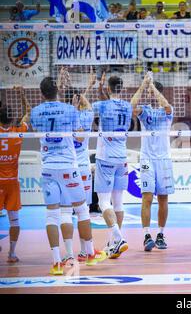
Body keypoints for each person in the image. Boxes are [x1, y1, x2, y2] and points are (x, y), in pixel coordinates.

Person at [30, 77, 103, 275]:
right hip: (68, 167)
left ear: (41, 93)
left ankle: (56, 262)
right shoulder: (70, 110)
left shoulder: (36, 112)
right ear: (58, 91)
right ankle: (89, 254)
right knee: (81, 210)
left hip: (48, 168)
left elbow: (38, 129)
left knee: (52, 215)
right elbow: (79, 137)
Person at [56, 67, 106, 264]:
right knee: (83, 211)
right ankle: (87, 251)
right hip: (83, 169)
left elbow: (62, 104)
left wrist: (64, 87)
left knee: (67, 211)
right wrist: (88, 87)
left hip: (66, 167)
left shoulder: (61, 118)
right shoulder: (86, 116)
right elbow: (88, 107)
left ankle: (69, 253)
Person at [131, 73, 175, 251]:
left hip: (164, 159)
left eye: (151, 92)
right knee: (147, 197)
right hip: (148, 158)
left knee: (163, 198)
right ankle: (146, 235)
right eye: (149, 92)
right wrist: (143, 85)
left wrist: (153, 87)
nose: (150, 94)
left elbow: (166, 106)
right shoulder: (144, 110)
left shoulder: (167, 109)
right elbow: (131, 106)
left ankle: (161, 234)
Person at [92, 76, 132, 259]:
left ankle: (118, 238)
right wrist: (102, 89)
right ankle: (114, 244)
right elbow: (110, 106)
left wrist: (95, 87)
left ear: (108, 88)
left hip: (106, 158)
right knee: (118, 202)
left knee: (103, 203)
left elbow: (84, 109)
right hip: (122, 158)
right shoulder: (127, 106)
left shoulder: (101, 106)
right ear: (121, 88)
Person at [0, 86, 30, 263]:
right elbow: (28, 112)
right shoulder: (18, 132)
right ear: (12, 119)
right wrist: (22, 94)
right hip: (11, 182)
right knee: (14, 220)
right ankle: (11, 253)